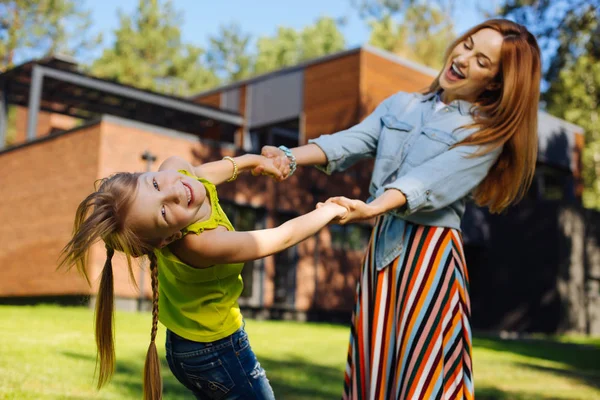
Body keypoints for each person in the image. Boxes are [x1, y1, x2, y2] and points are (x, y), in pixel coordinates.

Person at [257, 19, 541, 400]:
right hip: (383, 252)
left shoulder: (483, 135)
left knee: (424, 377)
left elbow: (428, 182)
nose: (463, 57)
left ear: (494, 83)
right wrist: (289, 156)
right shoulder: (400, 105)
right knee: (374, 365)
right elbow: (350, 141)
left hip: (430, 259)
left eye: (482, 61)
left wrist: (372, 208)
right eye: (467, 44)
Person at [59, 153, 347, 400]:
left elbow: (205, 174)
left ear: (149, 174)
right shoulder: (201, 244)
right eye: (163, 210)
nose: (174, 192)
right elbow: (280, 238)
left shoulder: (176, 172)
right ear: (168, 237)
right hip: (213, 352)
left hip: (186, 345)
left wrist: (255, 162)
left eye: (156, 183)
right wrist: (330, 211)